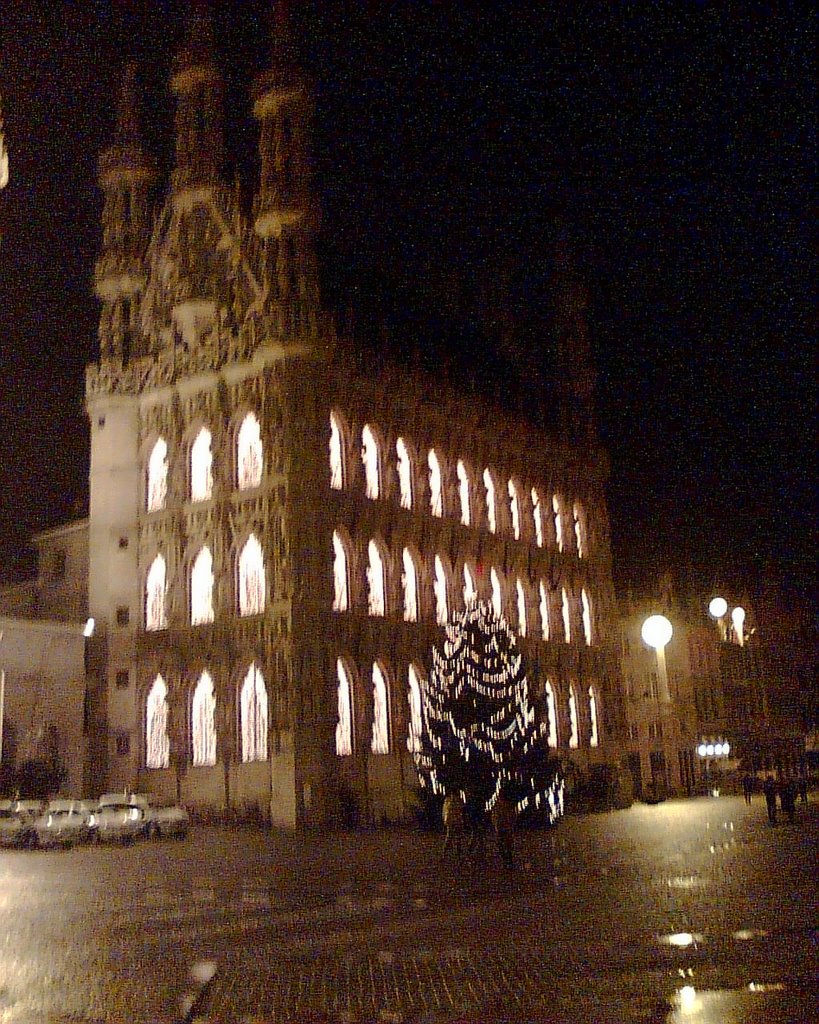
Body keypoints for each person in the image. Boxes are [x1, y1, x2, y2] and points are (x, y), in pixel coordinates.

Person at [492, 786, 517, 869]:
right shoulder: (506, 805)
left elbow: (496, 817)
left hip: (503, 828)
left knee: (503, 845)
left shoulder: (501, 805)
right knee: (506, 845)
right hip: (505, 828)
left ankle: (507, 860)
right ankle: (508, 860)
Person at [442, 791, 466, 864]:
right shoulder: (457, 800)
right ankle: (454, 853)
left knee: (451, 837)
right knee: (455, 837)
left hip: (452, 820)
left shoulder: (448, 800)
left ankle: (447, 853)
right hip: (455, 820)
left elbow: (445, 811)